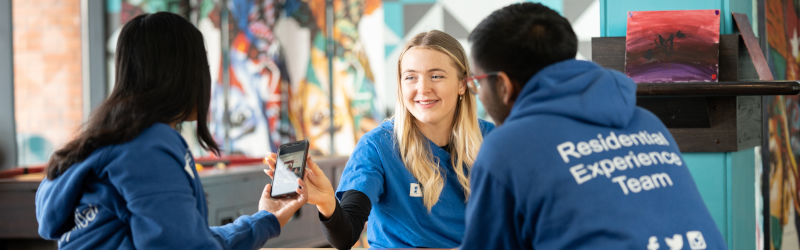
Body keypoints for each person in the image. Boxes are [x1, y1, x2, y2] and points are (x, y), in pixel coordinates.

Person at [461, 3, 726, 250]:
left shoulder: (507, 148)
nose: (479, 94)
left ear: (504, 86)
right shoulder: (646, 122)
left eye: (477, 83)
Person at [35, 12, 307, 250]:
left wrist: (264, 221)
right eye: (205, 68)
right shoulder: (149, 146)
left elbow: (186, 239)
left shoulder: (108, 143)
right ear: (185, 74)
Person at [265, 30, 494, 248]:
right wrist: (327, 203)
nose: (422, 88)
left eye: (436, 76)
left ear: (462, 84)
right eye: (411, 77)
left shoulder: (492, 140)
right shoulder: (377, 146)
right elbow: (345, 237)